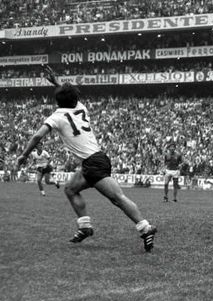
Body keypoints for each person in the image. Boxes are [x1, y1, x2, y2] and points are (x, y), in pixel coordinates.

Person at [17, 65, 157, 252]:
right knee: (70, 188)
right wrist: (57, 82)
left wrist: (24, 155)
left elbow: (37, 136)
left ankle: (145, 227)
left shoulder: (56, 116)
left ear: (57, 101)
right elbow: (70, 96)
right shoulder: (81, 107)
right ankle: (85, 227)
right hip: (95, 159)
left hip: (93, 163)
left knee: (117, 198)